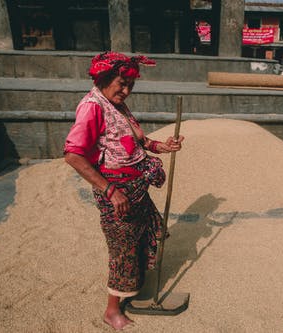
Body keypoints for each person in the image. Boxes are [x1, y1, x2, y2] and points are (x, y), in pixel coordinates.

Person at [64, 51, 184, 330]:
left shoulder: (116, 105)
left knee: (142, 237)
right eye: (121, 83)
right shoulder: (92, 107)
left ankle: (134, 288)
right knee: (122, 250)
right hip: (117, 195)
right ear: (104, 78)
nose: (127, 90)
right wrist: (110, 192)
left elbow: (136, 142)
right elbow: (73, 155)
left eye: (131, 85)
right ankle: (111, 311)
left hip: (136, 189)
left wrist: (162, 147)